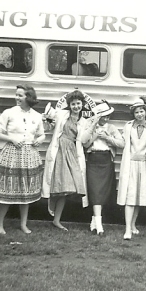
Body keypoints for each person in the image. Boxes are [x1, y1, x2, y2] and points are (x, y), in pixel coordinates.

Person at [0, 85, 45, 235]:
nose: (17, 98)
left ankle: (23, 224)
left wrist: (40, 140)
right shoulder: (9, 113)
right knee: (7, 190)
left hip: (29, 154)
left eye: (20, 95)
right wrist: (11, 138)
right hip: (12, 154)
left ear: (29, 97)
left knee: (26, 191)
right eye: (16, 95)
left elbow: (41, 134)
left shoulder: (37, 116)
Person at [42, 90, 88, 231]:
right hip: (59, 150)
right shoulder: (62, 114)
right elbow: (48, 126)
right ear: (69, 105)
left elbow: (85, 140)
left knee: (68, 187)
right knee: (60, 186)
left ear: (82, 104)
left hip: (72, 152)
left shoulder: (84, 121)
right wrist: (46, 119)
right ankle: (55, 217)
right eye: (73, 104)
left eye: (78, 104)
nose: (76, 106)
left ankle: (57, 219)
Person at [117, 97, 146, 240]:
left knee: (139, 196)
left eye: (141, 111)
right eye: (136, 112)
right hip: (131, 165)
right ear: (133, 114)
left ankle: (133, 224)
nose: (139, 115)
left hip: (145, 165)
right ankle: (127, 229)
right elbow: (123, 143)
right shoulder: (128, 126)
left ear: (145, 111)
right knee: (130, 196)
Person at [81, 100, 124, 235]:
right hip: (93, 160)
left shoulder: (111, 128)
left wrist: (107, 138)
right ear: (97, 116)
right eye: (103, 116)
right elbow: (84, 142)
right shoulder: (90, 126)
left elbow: (121, 143)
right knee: (95, 192)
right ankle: (99, 226)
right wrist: (94, 133)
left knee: (102, 193)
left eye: (108, 116)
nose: (106, 119)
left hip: (106, 161)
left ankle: (94, 221)